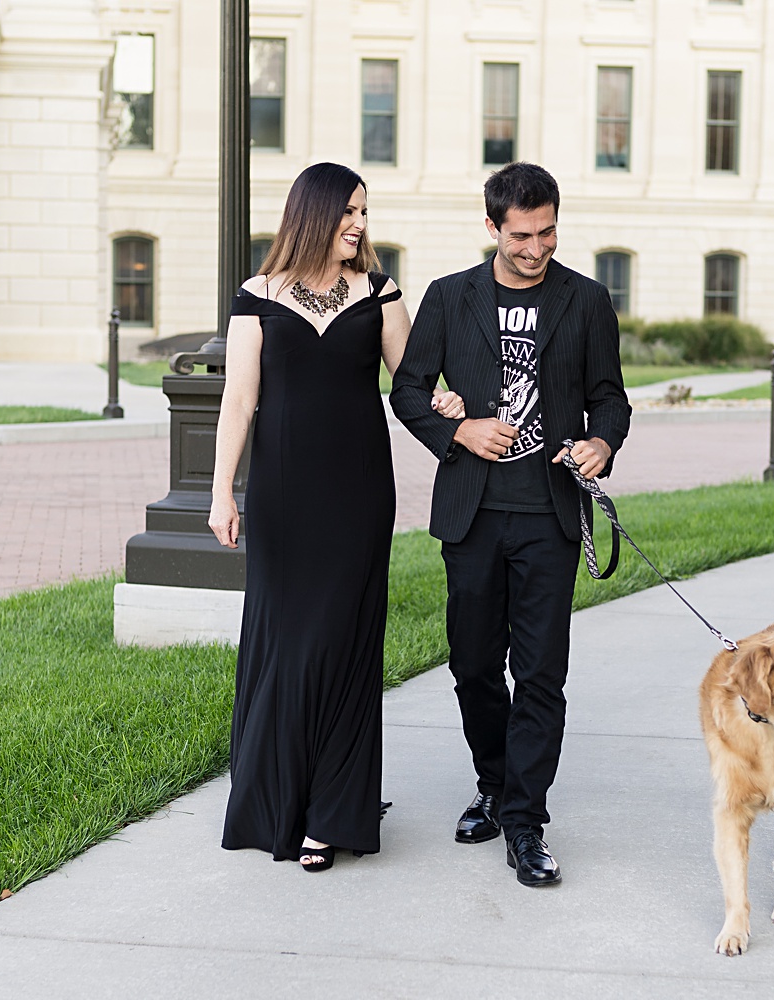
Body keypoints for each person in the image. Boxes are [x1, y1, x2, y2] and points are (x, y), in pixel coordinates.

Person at [210, 162, 464, 872]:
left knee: (343, 647)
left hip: (356, 494)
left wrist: (447, 404)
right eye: (348, 211)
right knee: (286, 644)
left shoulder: (379, 293)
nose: (358, 223)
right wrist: (220, 492)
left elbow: (412, 382)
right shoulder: (256, 297)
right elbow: (239, 401)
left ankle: (331, 813)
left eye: (363, 211)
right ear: (314, 215)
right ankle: (278, 803)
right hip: (284, 494)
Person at [389, 162, 631, 887]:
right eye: (522, 234)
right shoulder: (448, 297)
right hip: (472, 516)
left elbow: (609, 397)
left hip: (550, 516)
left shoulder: (586, 300)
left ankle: (525, 820)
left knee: (542, 677)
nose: (537, 248)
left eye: (548, 231)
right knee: (472, 667)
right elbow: (406, 390)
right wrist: (458, 435)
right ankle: (493, 783)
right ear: (492, 226)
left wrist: (602, 443)